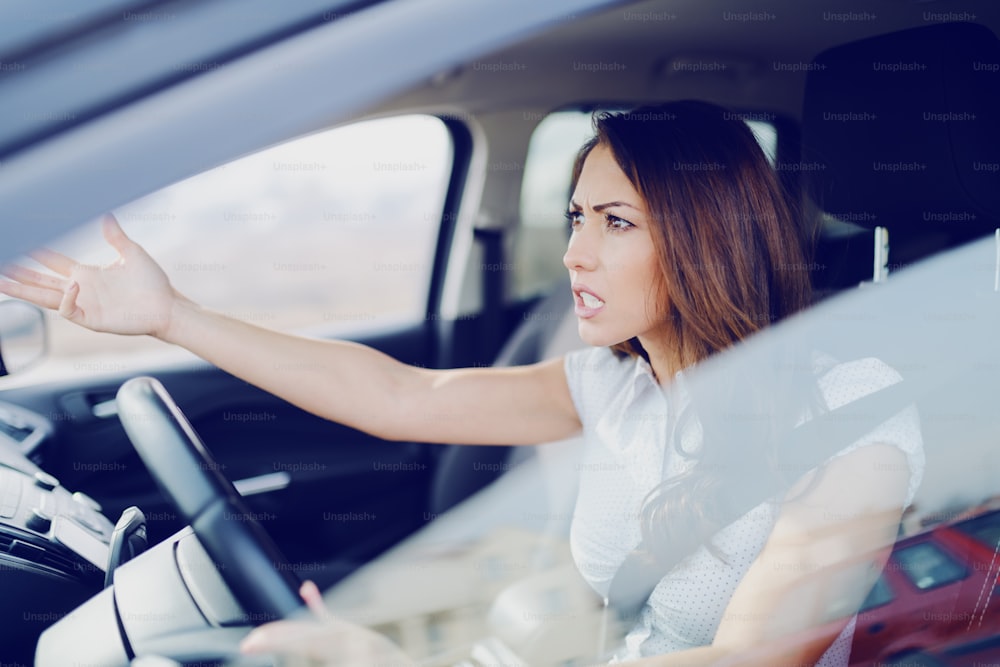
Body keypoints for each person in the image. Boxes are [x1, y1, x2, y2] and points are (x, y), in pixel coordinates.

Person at [0, 101, 922, 666]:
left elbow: (757, 654)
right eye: (573, 217)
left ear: (704, 235)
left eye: (614, 221)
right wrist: (173, 316)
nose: (572, 252)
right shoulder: (615, 385)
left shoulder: (851, 408)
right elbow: (405, 397)